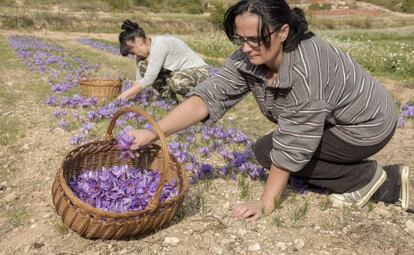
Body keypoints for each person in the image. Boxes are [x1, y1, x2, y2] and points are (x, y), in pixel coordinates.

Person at [126, 0, 411, 220]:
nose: (247, 48)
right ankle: (362, 174)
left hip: (367, 125)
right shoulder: (249, 58)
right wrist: (153, 132)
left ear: (283, 31)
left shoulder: (306, 68)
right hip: (337, 121)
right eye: (241, 39)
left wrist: (266, 202)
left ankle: (377, 180)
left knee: (270, 152)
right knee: (267, 151)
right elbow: (207, 97)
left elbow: (294, 142)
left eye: (256, 39)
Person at [117, 20, 210, 101]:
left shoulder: (159, 45)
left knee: (177, 82)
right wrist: (134, 95)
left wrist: (125, 94)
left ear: (139, 42)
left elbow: (149, 78)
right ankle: (170, 100)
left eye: (133, 52)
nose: (134, 56)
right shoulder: (141, 56)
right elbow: (139, 79)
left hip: (198, 71)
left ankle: (201, 101)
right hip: (177, 73)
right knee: (143, 65)